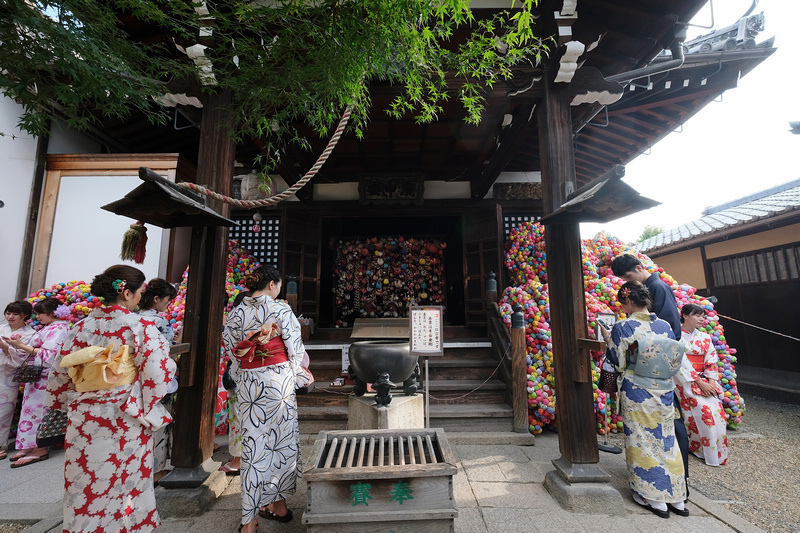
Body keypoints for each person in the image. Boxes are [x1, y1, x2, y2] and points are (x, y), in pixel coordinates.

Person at [44, 265, 177, 533]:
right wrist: (146, 401)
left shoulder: (80, 327)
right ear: (126, 294)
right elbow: (157, 372)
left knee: (86, 481)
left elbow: (60, 373)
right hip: (125, 413)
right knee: (126, 479)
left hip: (84, 416)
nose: (141, 297)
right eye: (139, 293)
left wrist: (67, 403)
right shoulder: (139, 326)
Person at [224, 267, 303, 533]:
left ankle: (249, 520)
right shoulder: (281, 310)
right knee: (279, 444)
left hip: (249, 384)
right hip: (278, 381)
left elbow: (233, 352)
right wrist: (297, 375)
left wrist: (246, 369)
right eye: (278, 285)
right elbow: (295, 348)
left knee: (253, 447)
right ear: (272, 284)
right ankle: (278, 506)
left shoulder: (235, 313)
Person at [602, 281, 687, 518]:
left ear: (628, 301)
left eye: (623, 303)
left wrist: (608, 338)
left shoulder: (624, 326)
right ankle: (677, 497)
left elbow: (617, 362)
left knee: (642, 439)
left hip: (638, 389)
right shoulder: (665, 326)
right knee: (667, 440)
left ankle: (651, 495)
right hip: (665, 390)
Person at [3, 297, 69, 467]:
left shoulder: (59, 328)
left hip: (46, 377)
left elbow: (49, 356)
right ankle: (29, 446)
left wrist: (20, 346)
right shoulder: (51, 327)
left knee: (38, 413)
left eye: (40, 313)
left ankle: (39, 449)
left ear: (53, 313)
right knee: (30, 411)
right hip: (37, 377)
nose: (37, 316)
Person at [674, 303, 728, 466]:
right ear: (685, 316)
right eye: (697, 315)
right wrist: (698, 382)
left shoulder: (704, 337)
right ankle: (697, 447)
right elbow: (681, 362)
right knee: (703, 411)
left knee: (717, 411)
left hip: (704, 379)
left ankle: (713, 452)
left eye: (703, 316)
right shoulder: (677, 336)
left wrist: (711, 382)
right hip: (684, 381)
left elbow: (711, 360)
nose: (701, 319)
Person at [138, 278, 179, 484]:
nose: (168, 305)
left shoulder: (133, 318)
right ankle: (157, 469)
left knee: (141, 425)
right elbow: (169, 350)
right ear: (156, 299)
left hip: (137, 380)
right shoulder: (160, 322)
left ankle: (140, 467)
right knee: (160, 425)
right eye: (167, 300)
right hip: (159, 380)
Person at [0, 300, 35, 459]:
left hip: (9, 374)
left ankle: (0, 445)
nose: (10, 317)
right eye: (8, 313)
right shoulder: (2, 328)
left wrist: (4, 346)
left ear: (25, 315)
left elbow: (23, 356)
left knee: (4, 410)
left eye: (15, 314)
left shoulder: (30, 333)